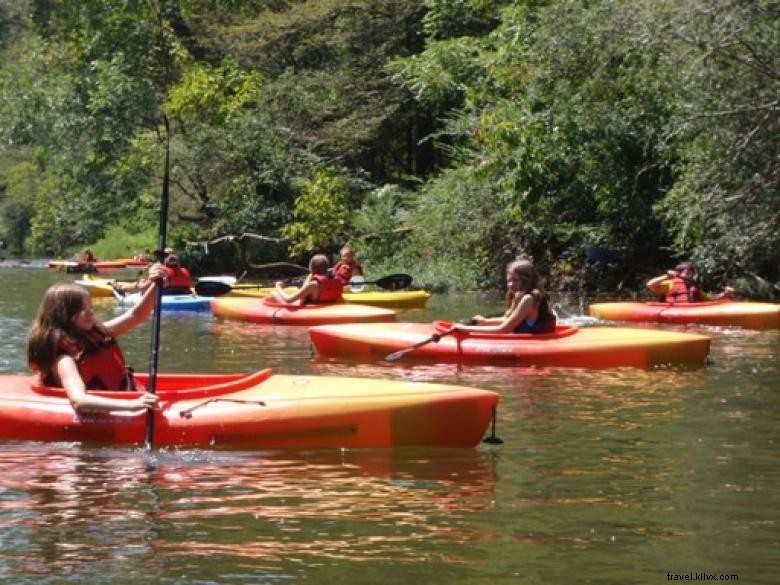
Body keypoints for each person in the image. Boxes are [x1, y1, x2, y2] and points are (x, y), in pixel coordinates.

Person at [26, 263, 166, 413]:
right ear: (61, 314)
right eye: (80, 309)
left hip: (127, 395)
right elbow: (79, 400)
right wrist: (132, 405)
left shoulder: (96, 332)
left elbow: (136, 315)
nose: (90, 313)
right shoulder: (63, 359)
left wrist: (156, 283)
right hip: (118, 407)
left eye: (89, 307)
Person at [452, 259, 557, 334]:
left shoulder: (528, 299)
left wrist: (465, 329)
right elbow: (510, 319)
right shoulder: (519, 295)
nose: (511, 284)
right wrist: (485, 322)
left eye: (515, 280)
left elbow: (504, 329)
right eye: (509, 281)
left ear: (527, 280)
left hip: (532, 344)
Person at [646, 262, 734, 303]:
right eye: (687, 272)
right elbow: (650, 285)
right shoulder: (671, 283)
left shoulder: (694, 287)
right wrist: (666, 276)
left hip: (690, 310)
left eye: (691, 273)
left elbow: (710, 298)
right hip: (674, 311)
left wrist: (724, 294)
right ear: (679, 273)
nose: (690, 275)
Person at [274, 254, 343, 304]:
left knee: (274, 294)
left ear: (311, 268)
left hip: (313, 313)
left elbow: (288, 300)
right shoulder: (336, 281)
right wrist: (310, 276)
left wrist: (278, 287)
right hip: (331, 310)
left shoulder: (313, 285)